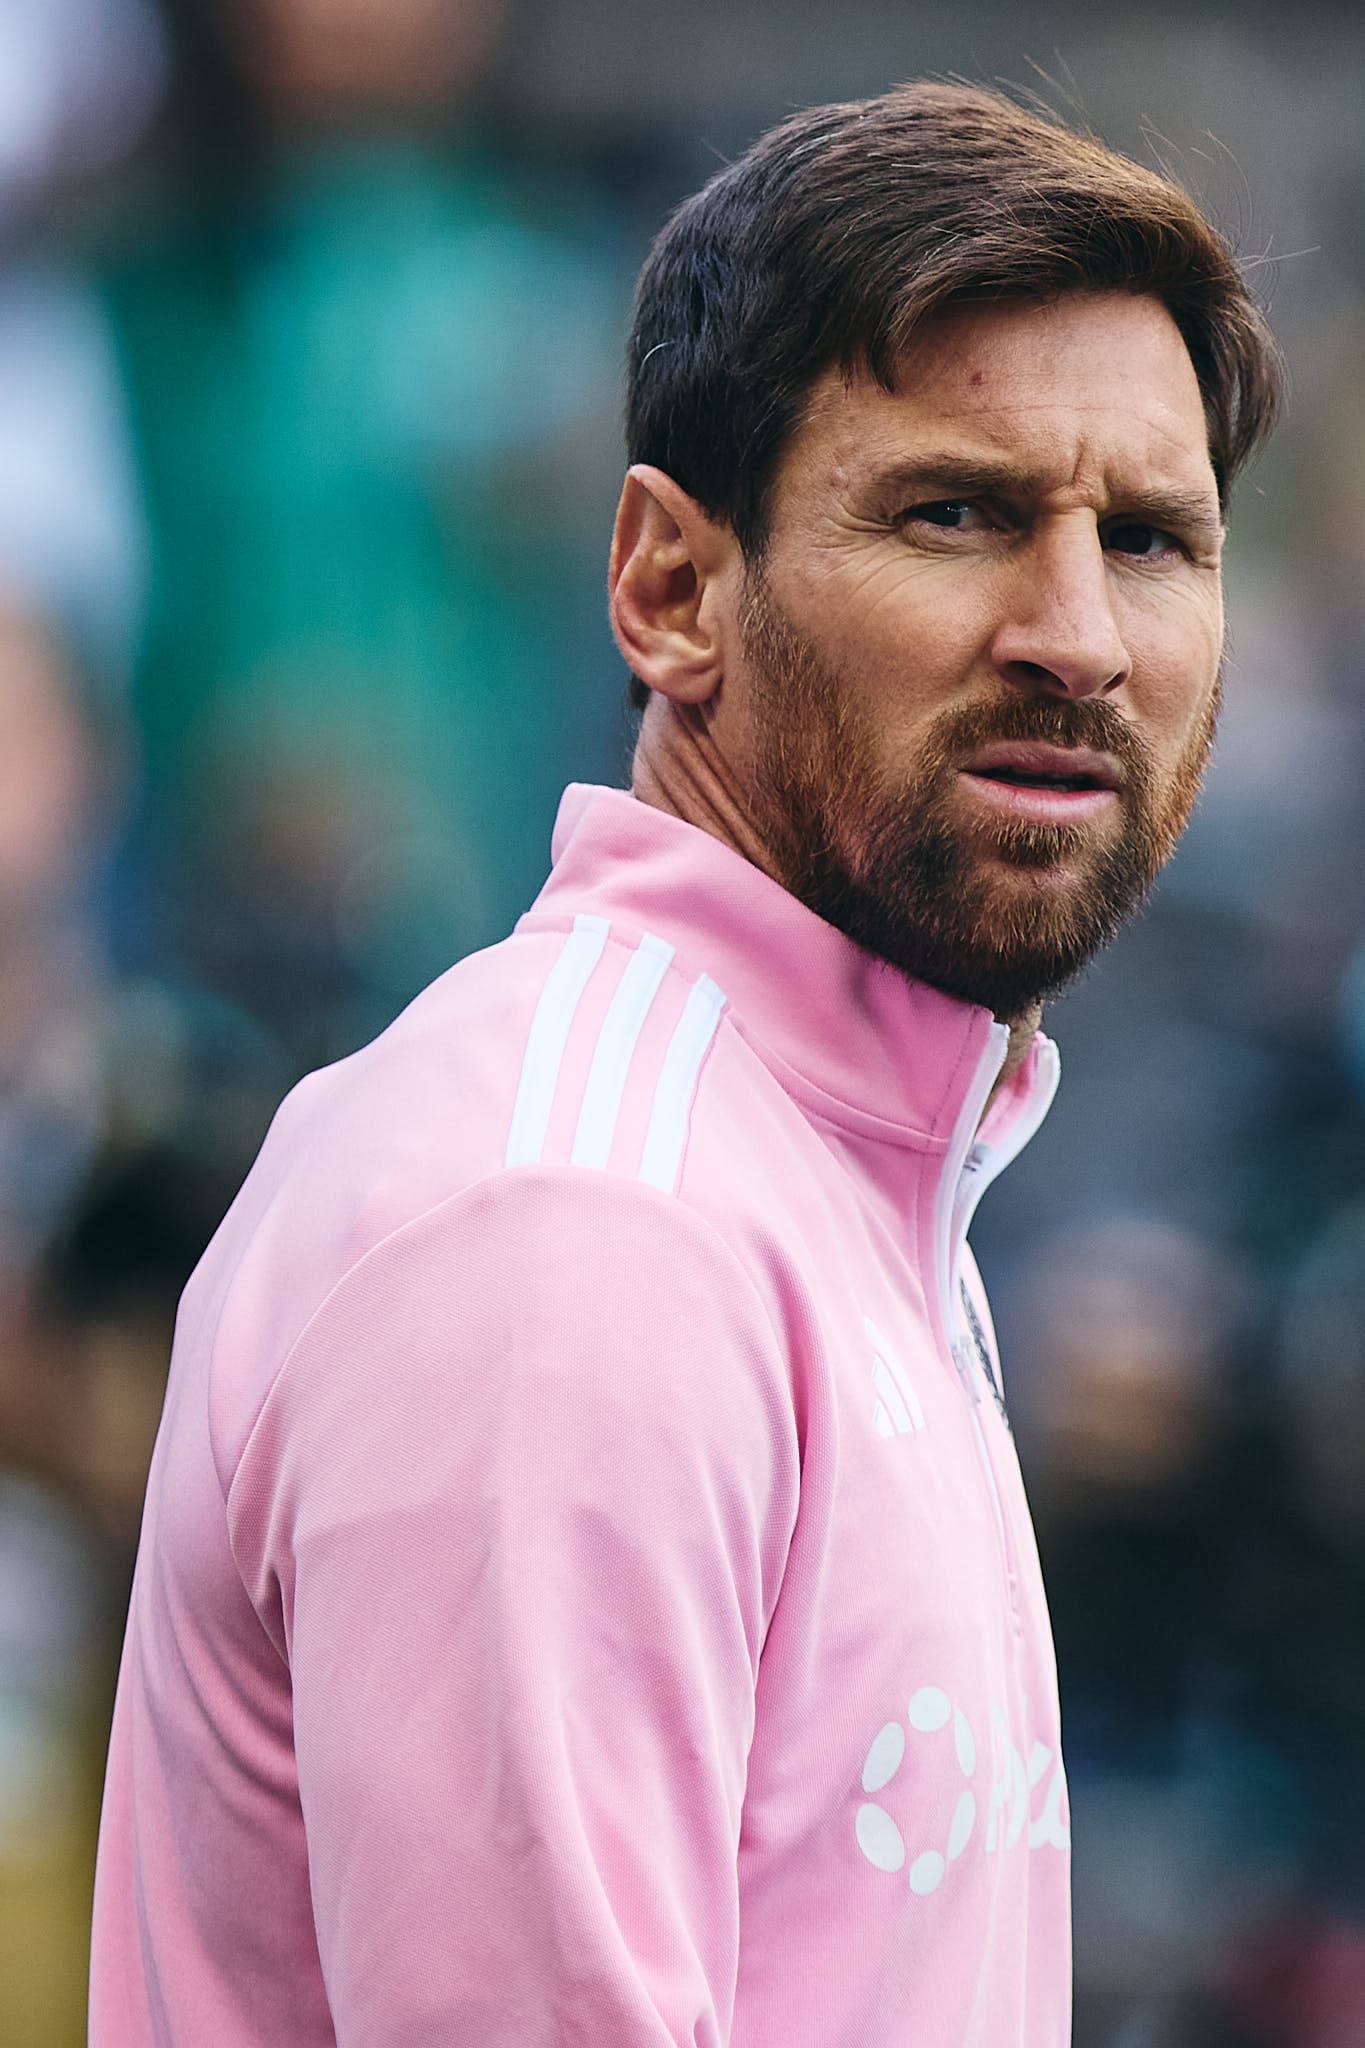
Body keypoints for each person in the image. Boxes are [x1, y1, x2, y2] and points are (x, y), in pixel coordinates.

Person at [89, 81, 1281, 2047]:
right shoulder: (579, 1226)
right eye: (956, 511)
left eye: (1149, 538)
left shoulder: (841, 1163)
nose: (1076, 634)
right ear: (666, 588)